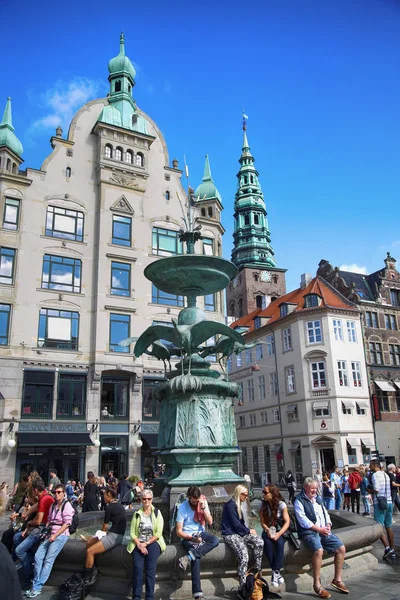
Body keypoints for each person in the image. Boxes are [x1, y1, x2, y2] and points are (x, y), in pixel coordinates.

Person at [294, 477, 348, 598]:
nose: (314, 490)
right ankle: (317, 585)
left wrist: (328, 525)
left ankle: (337, 580)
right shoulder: (299, 500)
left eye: (316, 488)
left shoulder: (317, 499)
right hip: (309, 532)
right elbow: (303, 521)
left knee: (341, 548)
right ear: (305, 488)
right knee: (318, 550)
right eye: (312, 488)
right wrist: (319, 529)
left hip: (323, 530)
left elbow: (325, 513)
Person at [25, 484, 74, 598]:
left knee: (48, 560)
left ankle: (37, 587)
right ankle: (35, 583)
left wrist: (55, 535)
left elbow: (67, 524)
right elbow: (49, 520)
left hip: (60, 535)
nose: (56, 494)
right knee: (38, 557)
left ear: (64, 493)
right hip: (50, 534)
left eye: (59, 492)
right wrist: (47, 530)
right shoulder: (52, 505)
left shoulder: (67, 506)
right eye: (55, 492)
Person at [176, 485, 219, 600]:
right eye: (193, 502)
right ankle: (197, 594)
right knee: (197, 558)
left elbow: (210, 522)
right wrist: (192, 538)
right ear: (189, 498)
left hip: (200, 533)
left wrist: (203, 508)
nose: (195, 504)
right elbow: (179, 532)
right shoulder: (182, 507)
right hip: (188, 536)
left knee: (215, 540)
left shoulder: (202, 502)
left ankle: (188, 557)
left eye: (197, 501)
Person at [221, 484, 263, 596]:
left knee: (259, 542)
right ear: (239, 494)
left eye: (247, 495)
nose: (246, 497)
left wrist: (248, 531)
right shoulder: (230, 505)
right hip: (230, 533)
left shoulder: (242, 504)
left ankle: (257, 570)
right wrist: (249, 531)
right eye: (245, 495)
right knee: (244, 556)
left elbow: (241, 525)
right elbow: (235, 525)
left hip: (241, 533)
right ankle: (243, 586)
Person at [83, 487, 127, 585]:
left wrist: (101, 534)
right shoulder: (119, 506)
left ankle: (87, 578)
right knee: (89, 543)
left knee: (90, 551)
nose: (103, 498)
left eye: (104, 496)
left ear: (108, 495)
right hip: (117, 534)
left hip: (114, 537)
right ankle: (92, 567)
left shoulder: (109, 507)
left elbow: (104, 527)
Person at [128, 489, 165, 600]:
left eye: (149, 499)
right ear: (141, 500)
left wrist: (146, 543)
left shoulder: (157, 513)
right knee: (137, 569)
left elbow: (158, 533)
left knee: (150, 570)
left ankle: (150, 597)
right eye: (144, 499)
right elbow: (132, 533)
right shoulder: (137, 514)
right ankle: (137, 597)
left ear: (152, 499)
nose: (146, 501)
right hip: (139, 543)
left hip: (153, 542)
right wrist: (139, 544)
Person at [14, 479, 54, 583]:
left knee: (19, 550)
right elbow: (36, 507)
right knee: (17, 537)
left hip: (41, 529)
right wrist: (26, 515)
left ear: (36, 490)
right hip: (42, 527)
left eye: (32, 490)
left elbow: (38, 521)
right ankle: (28, 559)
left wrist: (29, 523)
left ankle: (29, 575)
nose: (32, 493)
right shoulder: (46, 496)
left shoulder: (44, 500)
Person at [260, 484, 290, 590]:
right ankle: (277, 572)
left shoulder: (281, 504)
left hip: (279, 530)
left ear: (272, 493)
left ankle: (275, 572)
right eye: (263, 492)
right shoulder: (262, 505)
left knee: (280, 543)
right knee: (267, 544)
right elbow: (262, 522)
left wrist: (279, 534)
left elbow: (287, 522)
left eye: (265, 492)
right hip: (268, 530)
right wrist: (267, 530)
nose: (263, 494)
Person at [369, 460, 395, 560]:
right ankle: (392, 549)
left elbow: (376, 489)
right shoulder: (386, 475)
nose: (370, 466)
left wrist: (369, 490)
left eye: (371, 465)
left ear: (375, 465)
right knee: (389, 526)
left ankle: (387, 548)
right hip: (388, 502)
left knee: (379, 526)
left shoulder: (375, 475)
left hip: (379, 502)